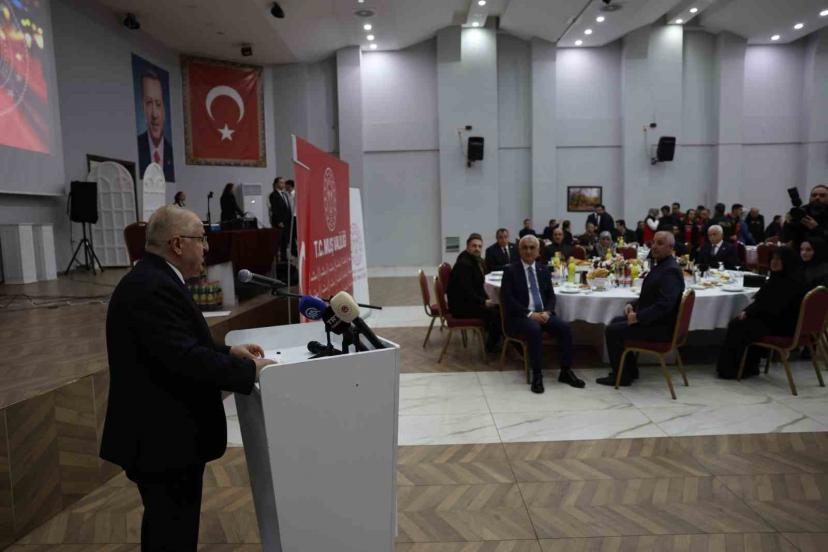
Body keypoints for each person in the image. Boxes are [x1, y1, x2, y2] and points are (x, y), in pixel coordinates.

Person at [100, 205, 273, 551]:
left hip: (164, 438)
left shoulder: (154, 279)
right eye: (201, 238)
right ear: (177, 244)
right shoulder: (152, 288)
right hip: (162, 441)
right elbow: (185, 359)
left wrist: (228, 353)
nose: (207, 247)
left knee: (169, 529)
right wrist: (249, 370)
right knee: (171, 534)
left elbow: (176, 345)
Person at [598, 231, 685, 386]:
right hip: (655, 322)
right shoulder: (662, 265)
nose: (654, 247)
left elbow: (664, 305)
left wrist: (638, 317)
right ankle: (629, 370)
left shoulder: (670, 271)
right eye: (653, 243)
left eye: (660, 243)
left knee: (612, 331)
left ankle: (622, 377)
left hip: (661, 328)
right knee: (615, 321)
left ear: (670, 247)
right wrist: (632, 305)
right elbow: (650, 296)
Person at [500, 235, 584, 393]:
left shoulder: (543, 269)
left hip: (543, 313)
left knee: (565, 328)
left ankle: (566, 371)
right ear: (519, 250)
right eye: (524, 248)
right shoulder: (510, 270)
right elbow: (508, 299)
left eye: (532, 248)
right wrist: (530, 314)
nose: (528, 251)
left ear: (538, 251)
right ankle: (537, 374)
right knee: (534, 329)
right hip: (520, 316)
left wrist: (548, 311)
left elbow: (551, 296)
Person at [716, 247, 803, 379]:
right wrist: (747, 311)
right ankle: (748, 366)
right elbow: (763, 302)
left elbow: (772, 307)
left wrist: (749, 313)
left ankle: (734, 369)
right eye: (773, 258)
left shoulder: (790, 282)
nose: (774, 262)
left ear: (787, 262)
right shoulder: (778, 278)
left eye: (779, 259)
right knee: (740, 322)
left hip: (782, 326)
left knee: (737, 326)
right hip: (774, 320)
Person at [447, 234, 501, 353]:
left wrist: (485, 299)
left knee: (497, 308)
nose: (477, 248)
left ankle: (493, 338)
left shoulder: (471, 259)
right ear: (467, 247)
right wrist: (484, 301)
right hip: (460, 308)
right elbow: (466, 292)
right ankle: (490, 347)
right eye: (474, 246)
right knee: (497, 314)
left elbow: (475, 287)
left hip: (466, 302)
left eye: (479, 246)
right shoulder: (464, 264)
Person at [137, 70, 175, 182]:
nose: (154, 114)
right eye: (149, 103)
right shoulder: (138, 147)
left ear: (164, 109)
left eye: (158, 104)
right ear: (143, 107)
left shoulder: (171, 152)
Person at [269, 177, 292, 261]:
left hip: (287, 221)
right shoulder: (273, 195)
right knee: (279, 240)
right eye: (281, 182)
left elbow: (287, 207)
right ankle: (277, 258)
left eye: (284, 182)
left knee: (285, 240)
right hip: (280, 222)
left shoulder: (284, 194)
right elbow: (275, 209)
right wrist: (279, 221)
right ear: (276, 184)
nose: (283, 184)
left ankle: (284, 257)